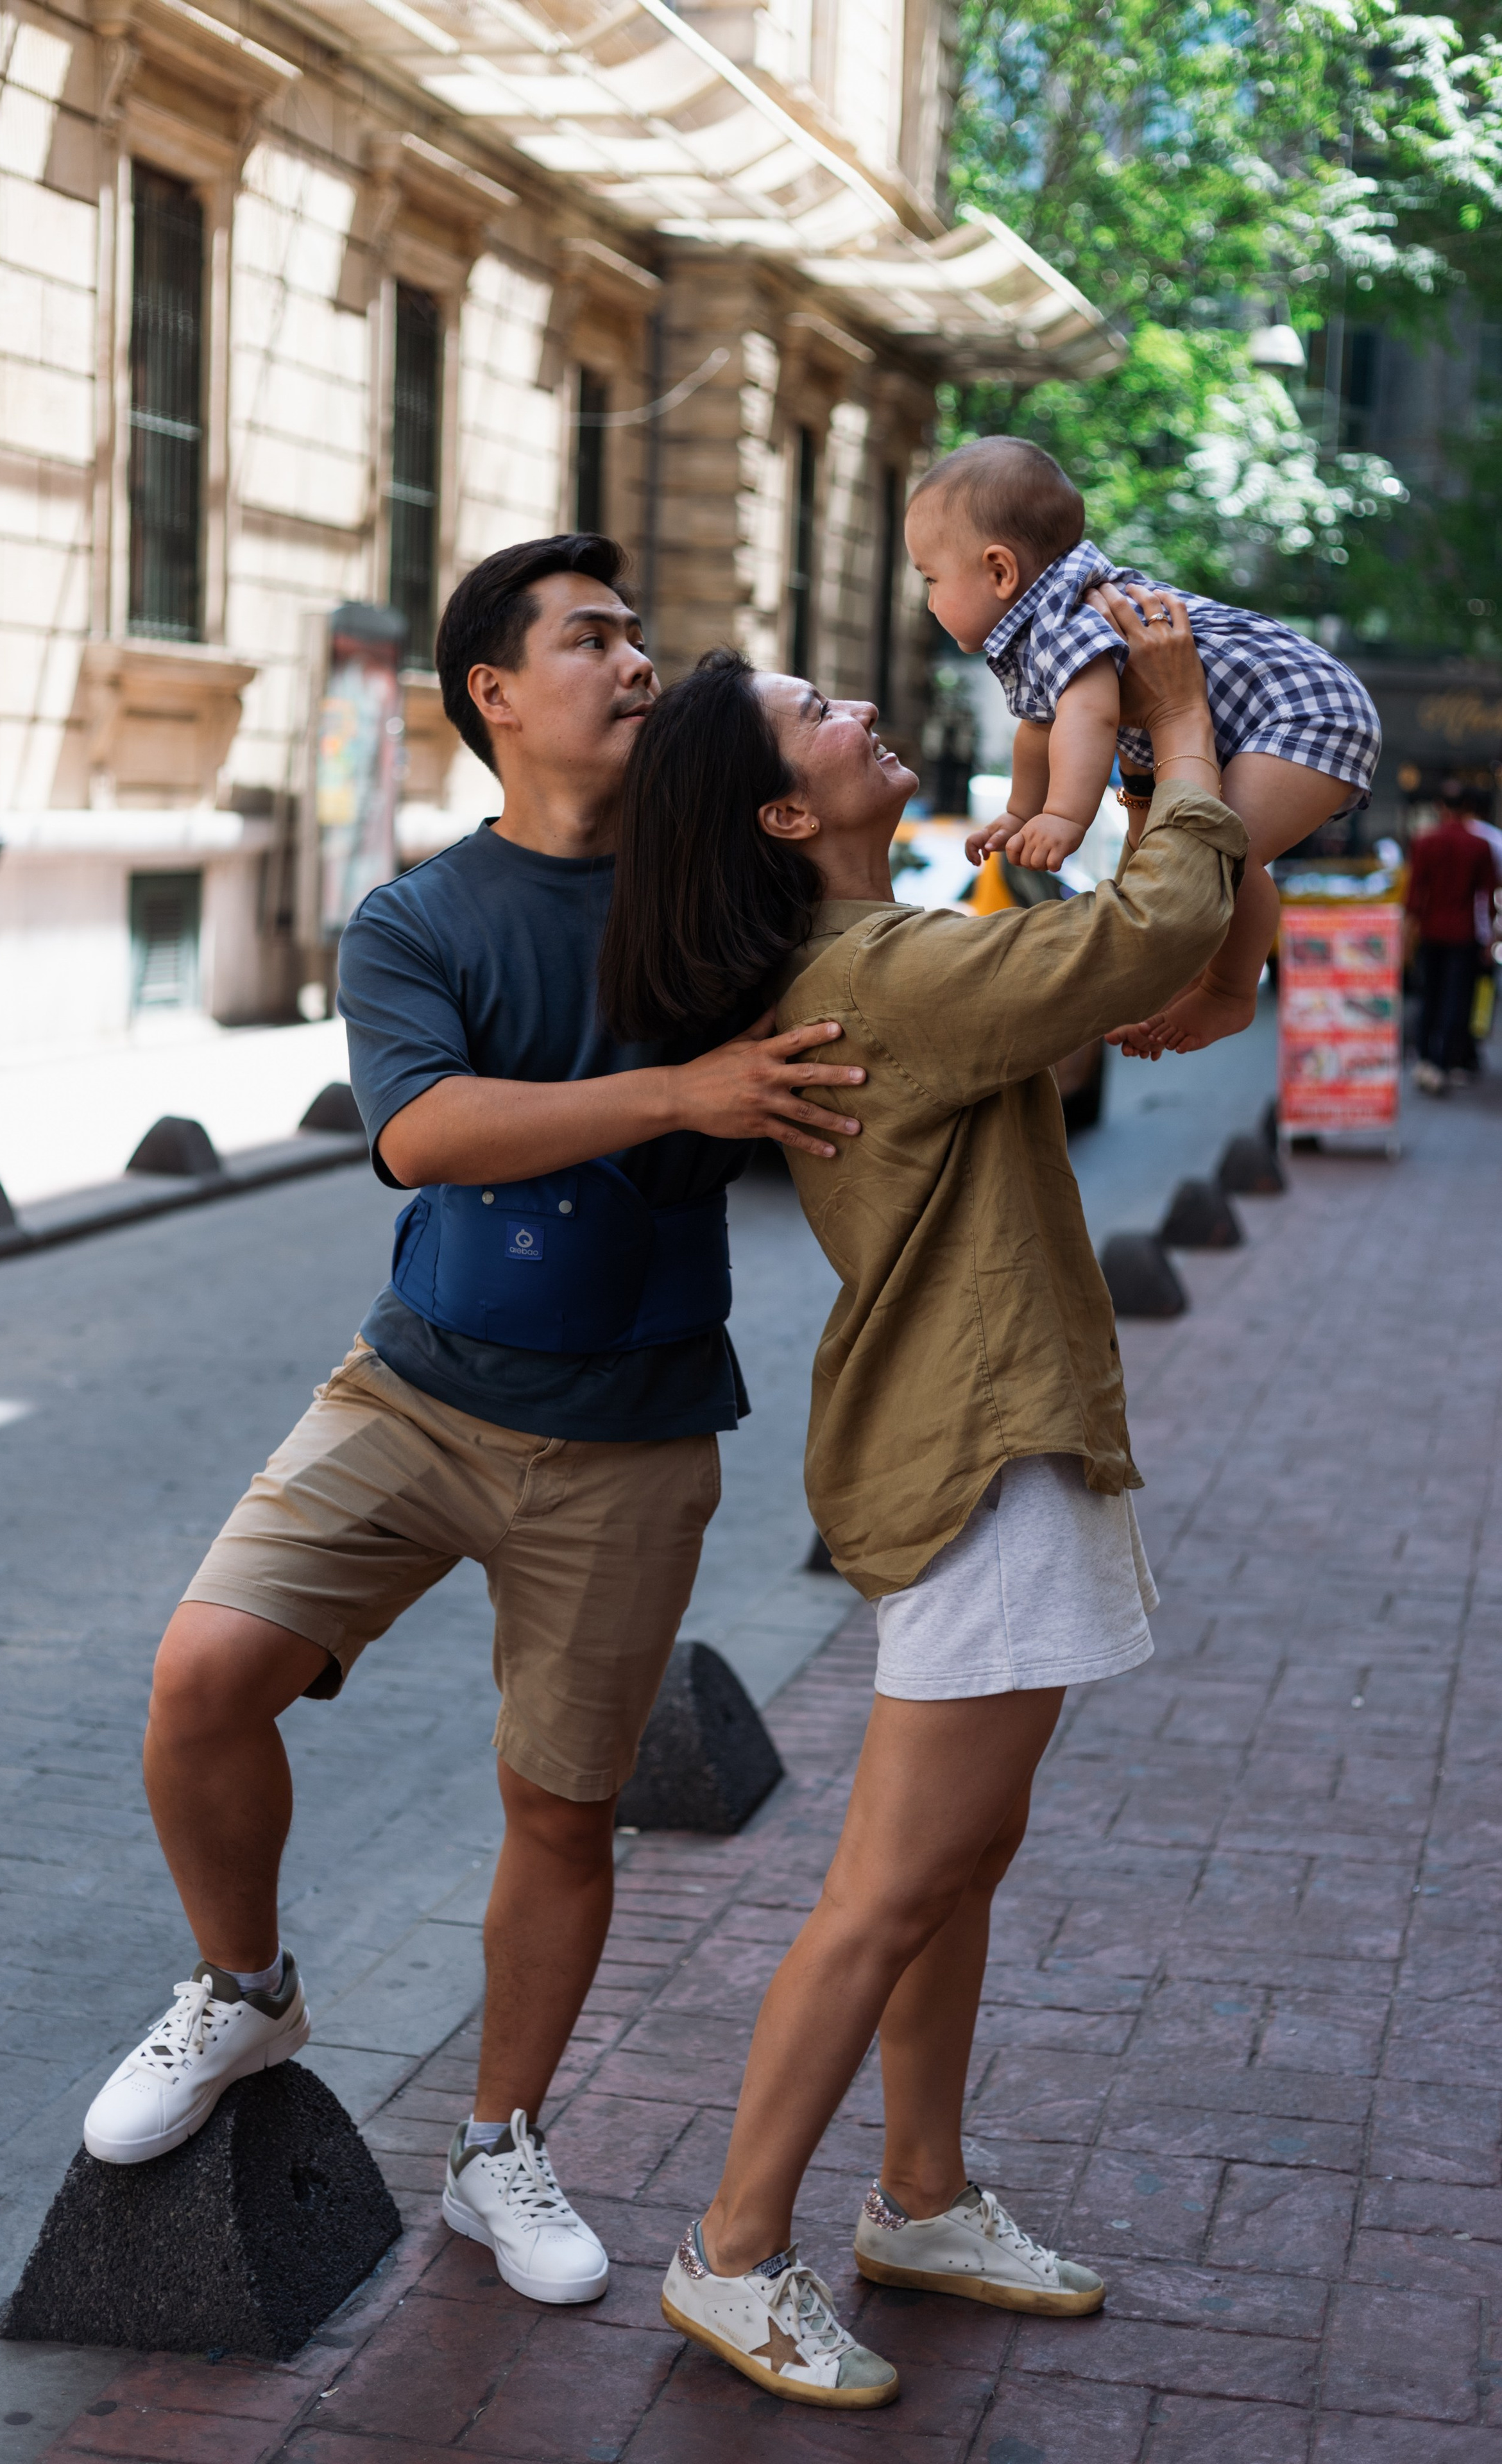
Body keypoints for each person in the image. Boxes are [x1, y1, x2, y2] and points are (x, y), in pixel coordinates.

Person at [80, 534, 869, 2310]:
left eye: (643, 636)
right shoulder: (417, 918)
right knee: (204, 1678)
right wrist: (684, 1089)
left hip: (640, 1436)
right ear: (496, 696)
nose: (637, 662)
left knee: (563, 1809)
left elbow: (878, 972)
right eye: (593, 638)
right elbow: (424, 1135)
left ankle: (495, 2143)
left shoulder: (731, 903)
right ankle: (247, 1993)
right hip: (415, 1389)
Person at [597, 587, 1246, 2406]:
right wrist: (1178, 723)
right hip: (974, 1455)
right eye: (819, 709)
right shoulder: (875, 973)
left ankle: (924, 2195)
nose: (862, 705)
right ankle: (731, 2250)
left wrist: (1090, 788)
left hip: (989, 1439)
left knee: (958, 1859)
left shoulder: (888, 951)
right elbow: (1154, 932)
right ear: (784, 814)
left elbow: (1125, 974)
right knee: (890, 1885)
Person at [905, 435, 1380, 1056]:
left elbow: (1090, 714)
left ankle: (1230, 992)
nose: (930, 600)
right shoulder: (1036, 627)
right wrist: (1021, 812)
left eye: (932, 579)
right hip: (1270, 721)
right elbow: (1038, 727)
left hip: (1305, 714)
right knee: (1204, 853)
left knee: (1216, 852)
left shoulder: (1064, 618)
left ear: (1000, 571)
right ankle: (1184, 981)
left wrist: (1062, 816)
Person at [1406, 785, 1498, 1091]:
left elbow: (1415, 894)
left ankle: (1424, 1057)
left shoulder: (1424, 842)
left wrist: (1410, 934)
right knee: (1457, 1000)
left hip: (1431, 930)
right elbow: (1488, 898)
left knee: (1429, 995)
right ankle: (1445, 1061)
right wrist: (1491, 939)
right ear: (1468, 807)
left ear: (1439, 806)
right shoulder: (1479, 845)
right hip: (1464, 933)